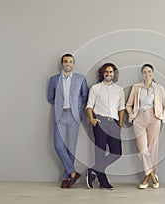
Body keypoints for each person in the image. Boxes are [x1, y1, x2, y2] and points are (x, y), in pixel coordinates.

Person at [126, 64, 165, 189]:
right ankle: (152, 175)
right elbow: (128, 105)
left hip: (154, 118)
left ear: (153, 73)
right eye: (145, 72)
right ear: (142, 74)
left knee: (152, 149)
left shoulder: (159, 88)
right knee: (143, 150)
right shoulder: (136, 87)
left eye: (149, 72)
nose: (147, 74)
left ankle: (146, 178)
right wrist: (132, 115)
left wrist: (162, 116)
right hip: (139, 118)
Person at [47, 53, 88, 188]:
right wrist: (60, 105)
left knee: (71, 148)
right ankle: (72, 172)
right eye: (65, 61)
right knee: (58, 145)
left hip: (74, 116)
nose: (68, 64)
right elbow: (50, 97)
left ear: (73, 64)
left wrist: (75, 107)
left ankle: (66, 178)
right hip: (60, 115)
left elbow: (84, 95)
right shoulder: (53, 80)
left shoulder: (80, 79)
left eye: (70, 61)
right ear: (62, 64)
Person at [85, 63, 125, 190]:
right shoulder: (95, 88)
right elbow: (89, 105)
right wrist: (92, 119)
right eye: (106, 72)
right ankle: (103, 181)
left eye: (111, 72)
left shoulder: (119, 89)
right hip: (100, 122)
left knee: (117, 152)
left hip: (114, 122)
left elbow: (122, 107)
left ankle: (92, 170)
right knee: (100, 152)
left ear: (114, 73)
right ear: (103, 73)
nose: (108, 74)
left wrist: (120, 123)